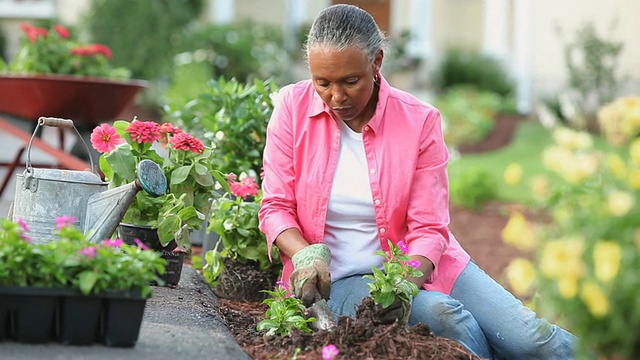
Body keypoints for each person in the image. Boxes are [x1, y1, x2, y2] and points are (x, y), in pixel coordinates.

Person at [258, 4, 576, 359]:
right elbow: (275, 206)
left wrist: (402, 285)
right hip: (341, 282)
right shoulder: (292, 107)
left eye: (350, 81)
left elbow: (429, 228)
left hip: (421, 264)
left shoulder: (419, 121)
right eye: (323, 83)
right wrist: (305, 254)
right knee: (449, 320)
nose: (336, 96)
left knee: (533, 340)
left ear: (376, 62)